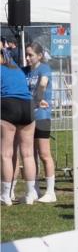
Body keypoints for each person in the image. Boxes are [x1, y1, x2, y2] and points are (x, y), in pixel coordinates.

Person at [1, 48, 36, 205]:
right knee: (28, 154)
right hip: (27, 106)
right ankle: (30, 194)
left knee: (6, 154)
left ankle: (5, 196)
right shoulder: (16, 69)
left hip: (8, 105)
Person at [25, 42, 57, 202]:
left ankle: (51, 192)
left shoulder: (44, 68)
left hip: (42, 116)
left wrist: (39, 98)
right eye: (26, 54)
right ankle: (34, 189)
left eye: (30, 55)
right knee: (31, 155)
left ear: (39, 56)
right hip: (27, 117)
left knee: (44, 154)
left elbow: (43, 84)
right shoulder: (26, 72)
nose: (27, 58)